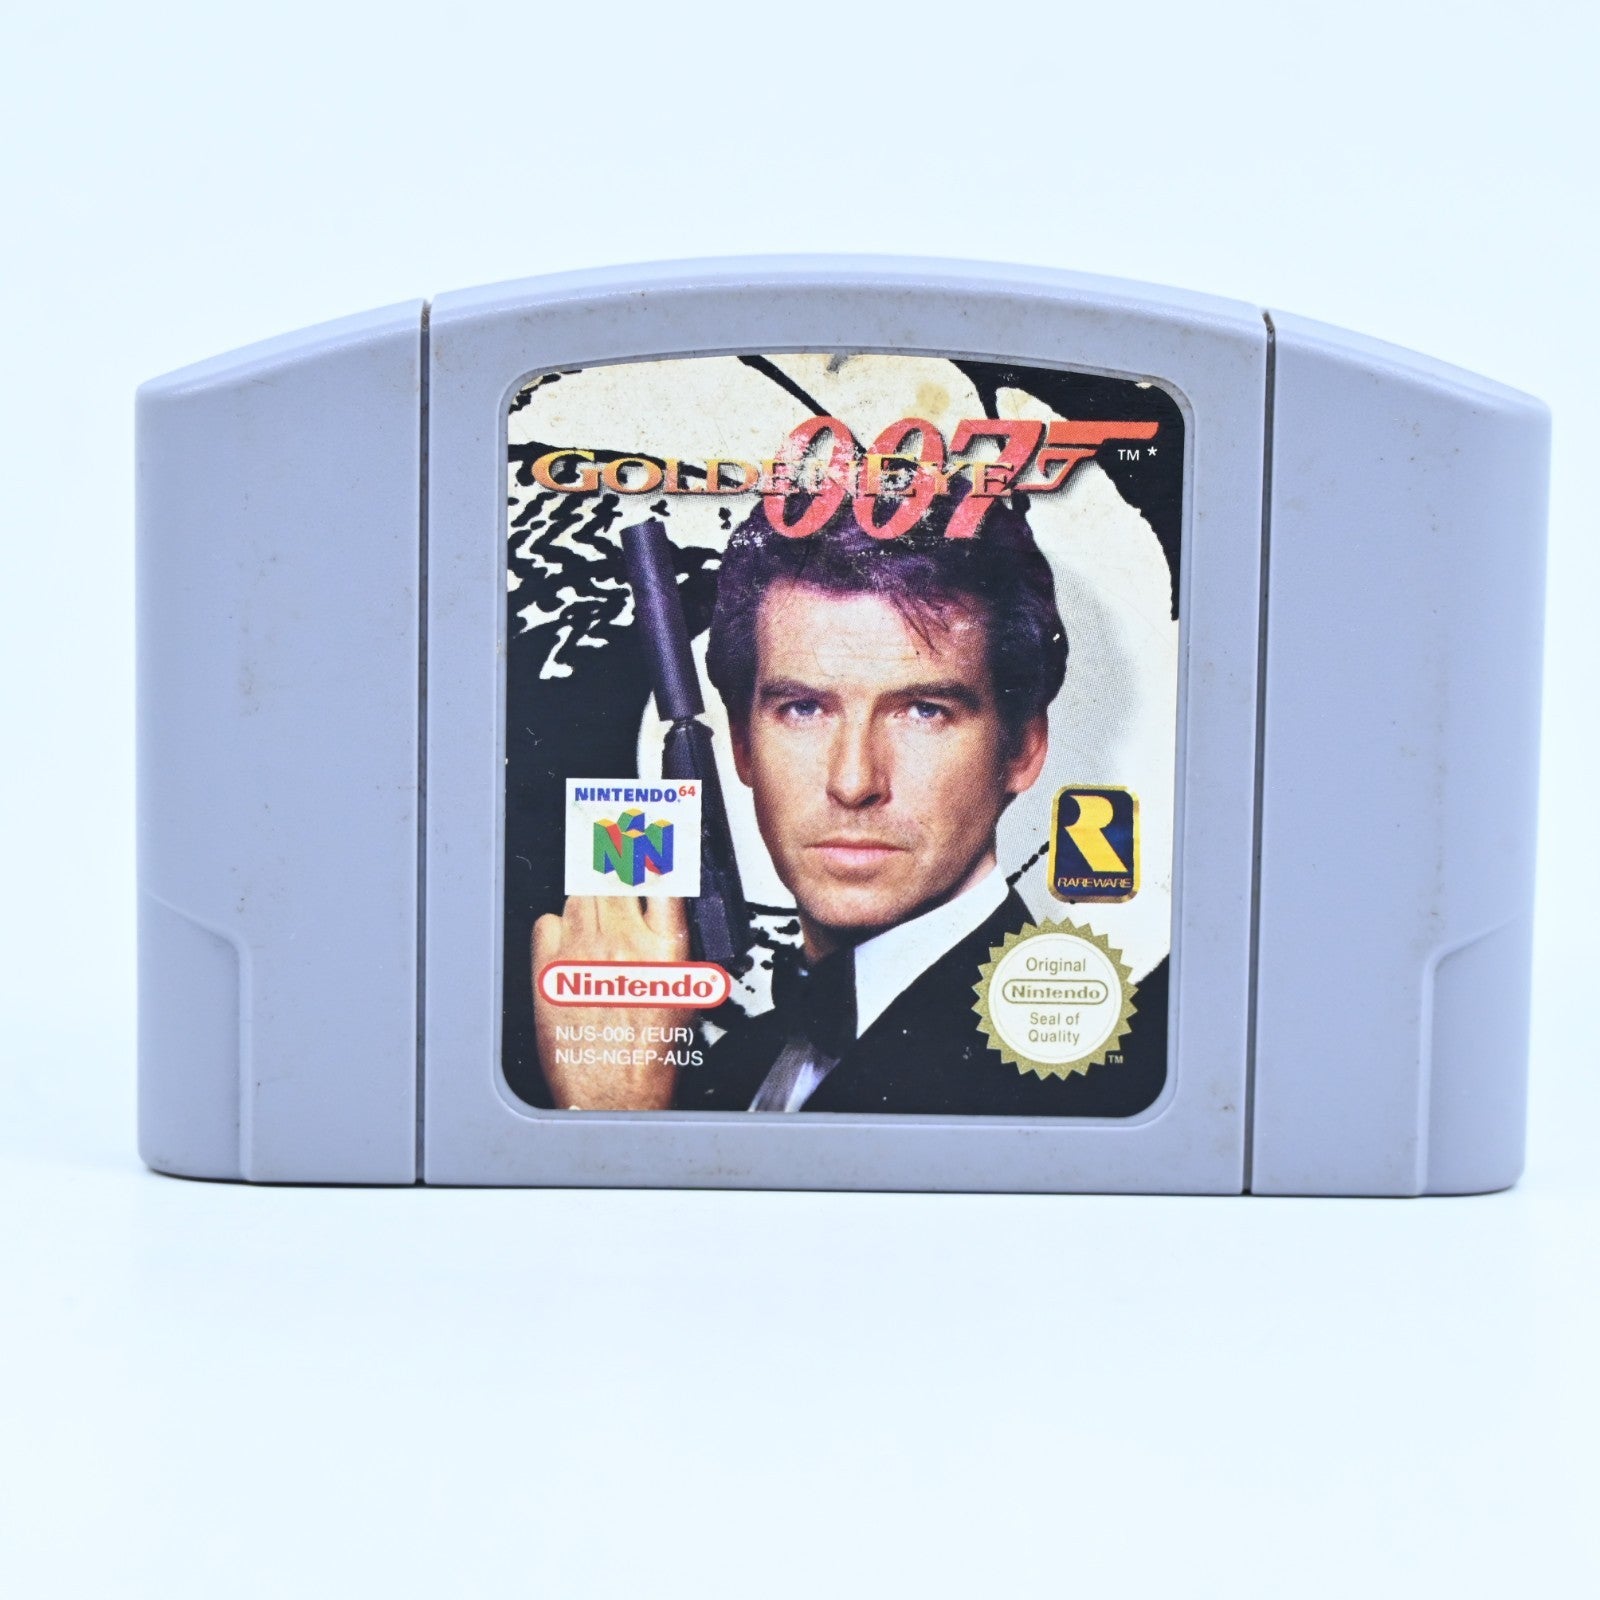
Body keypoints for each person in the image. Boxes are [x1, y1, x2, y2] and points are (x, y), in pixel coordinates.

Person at [534, 489, 1119, 1114]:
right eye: (804, 709)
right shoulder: (737, 1063)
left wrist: (616, 1112)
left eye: (924, 711)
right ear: (742, 746)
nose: (854, 781)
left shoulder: (1076, 1075)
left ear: (1023, 749)